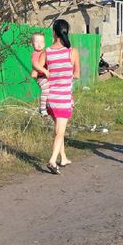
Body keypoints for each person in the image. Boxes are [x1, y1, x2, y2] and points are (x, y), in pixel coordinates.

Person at [33, 19, 80, 175]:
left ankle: (64, 158)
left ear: (53, 33)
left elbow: (35, 69)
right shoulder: (72, 52)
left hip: (50, 100)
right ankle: (53, 160)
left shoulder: (47, 52)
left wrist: (48, 73)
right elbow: (77, 75)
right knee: (60, 132)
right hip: (64, 99)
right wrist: (67, 76)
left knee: (58, 130)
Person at [30, 33, 49, 116]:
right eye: (37, 41)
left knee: (50, 91)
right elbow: (35, 64)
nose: (39, 44)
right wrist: (44, 71)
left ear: (44, 44)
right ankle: (42, 108)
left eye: (41, 42)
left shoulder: (44, 52)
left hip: (46, 76)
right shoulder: (36, 54)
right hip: (41, 77)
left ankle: (47, 106)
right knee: (45, 89)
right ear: (32, 44)